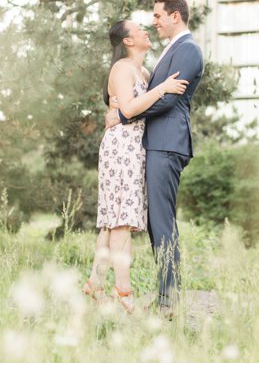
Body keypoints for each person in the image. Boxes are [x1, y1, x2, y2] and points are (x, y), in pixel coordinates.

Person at [86, 17, 189, 314]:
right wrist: (164, 89)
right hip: (120, 147)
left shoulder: (142, 70)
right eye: (138, 28)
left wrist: (158, 88)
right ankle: (124, 293)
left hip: (134, 148)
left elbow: (133, 108)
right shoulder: (121, 69)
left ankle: (95, 283)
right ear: (128, 41)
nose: (146, 29)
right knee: (121, 220)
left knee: (114, 218)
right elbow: (130, 109)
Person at [134, 0, 204, 318]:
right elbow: (160, 94)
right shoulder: (172, 50)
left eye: (158, 15)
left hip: (167, 142)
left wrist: (128, 114)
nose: (154, 20)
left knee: (162, 221)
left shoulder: (188, 50)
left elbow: (168, 101)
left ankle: (168, 301)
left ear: (175, 16)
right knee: (157, 221)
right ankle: (166, 295)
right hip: (158, 141)